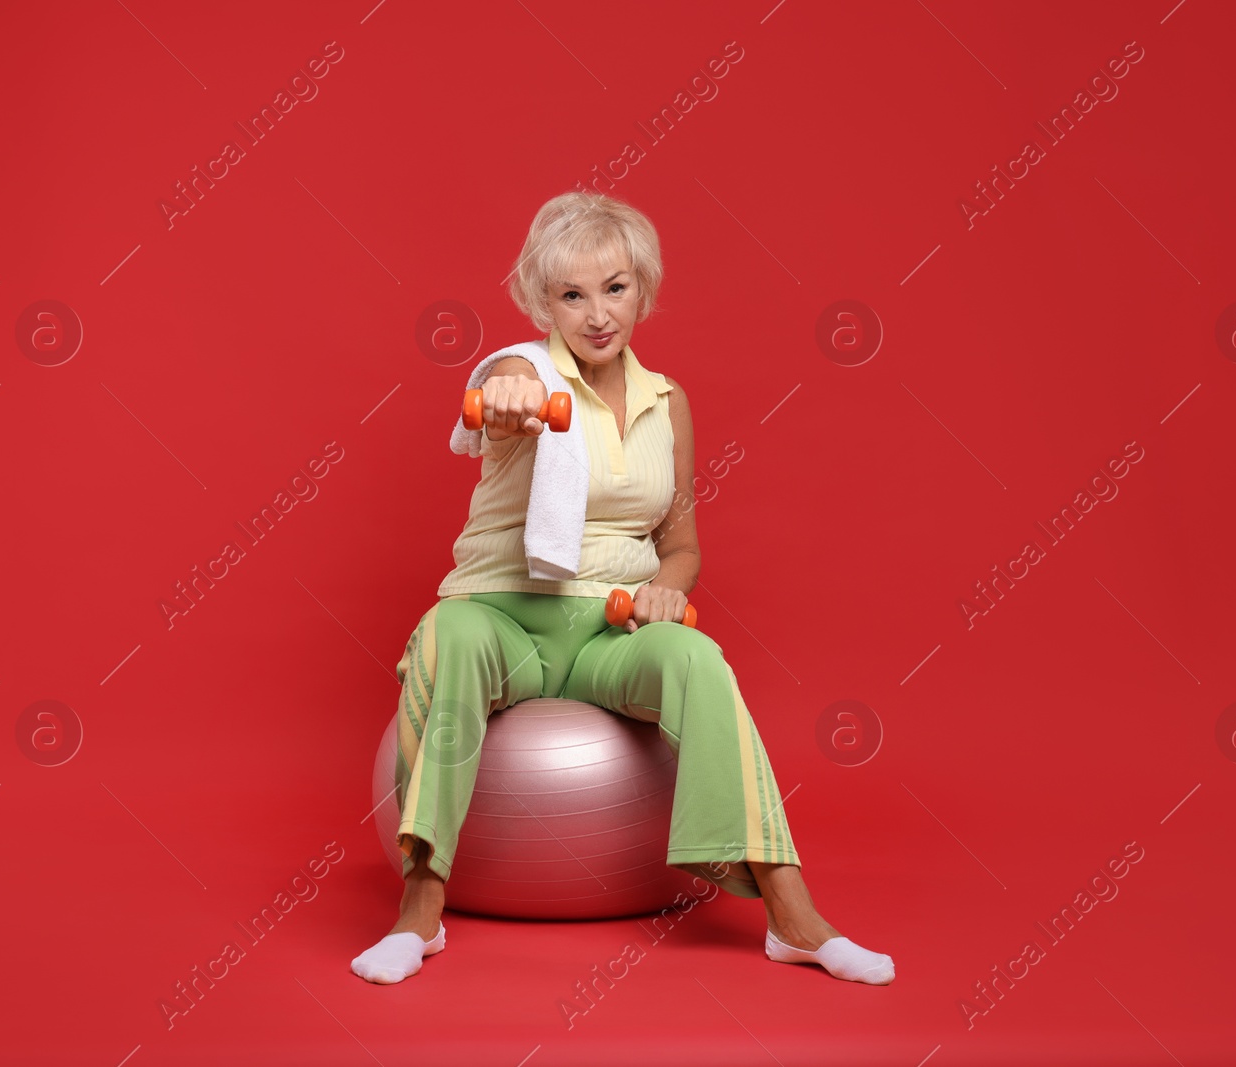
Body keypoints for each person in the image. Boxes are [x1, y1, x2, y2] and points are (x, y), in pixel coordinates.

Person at [351, 192, 894, 987]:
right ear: (543, 302)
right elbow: (499, 381)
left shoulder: (667, 404)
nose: (597, 313)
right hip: (505, 620)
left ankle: (791, 914)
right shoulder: (526, 374)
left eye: (615, 287)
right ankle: (421, 910)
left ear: (643, 288)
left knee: (699, 660)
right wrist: (505, 395)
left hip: (610, 631)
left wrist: (668, 590)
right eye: (572, 294)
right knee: (450, 635)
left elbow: (679, 543)